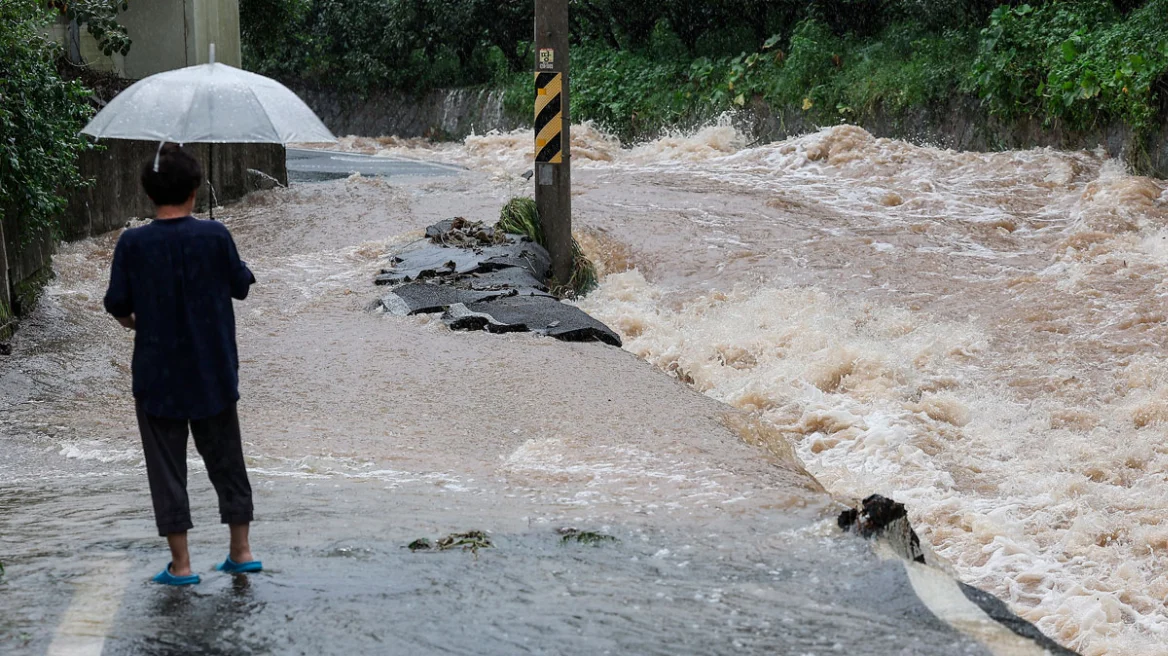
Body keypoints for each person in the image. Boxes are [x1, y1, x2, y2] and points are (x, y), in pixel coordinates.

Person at [103, 144, 261, 586]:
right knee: (227, 459)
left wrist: (138, 323)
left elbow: (118, 304)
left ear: (148, 193)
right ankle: (241, 550)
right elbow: (241, 285)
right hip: (214, 371)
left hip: (157, 376)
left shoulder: (132, 242)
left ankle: (182, 565)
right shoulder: (215, 235)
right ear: (195, 190)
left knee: (167, 468)